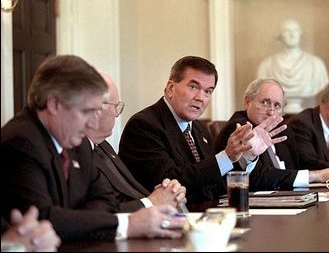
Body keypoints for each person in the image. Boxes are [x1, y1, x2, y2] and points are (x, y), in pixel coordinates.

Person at [1, 55, 185, 242]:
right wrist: (128, 224)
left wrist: (74, 219)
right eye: (86, 111)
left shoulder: (75, 140)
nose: (93, 122)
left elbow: (106, 201)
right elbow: (42, 220)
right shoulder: (20, 143)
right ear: (54, 104)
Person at [119, 55, 287, 204]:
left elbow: (213, 184)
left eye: (208, 91)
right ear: (171, 88)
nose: (201, 98)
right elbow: (170, 182)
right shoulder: (144, 125)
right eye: (193, 87)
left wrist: (247, 157)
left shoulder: (199, 129)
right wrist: (226, 157)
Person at [86, 71, 187, 212]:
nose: (117, 113)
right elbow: (98, 214)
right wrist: (152, 202)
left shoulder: (103, 146)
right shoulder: (75, 155)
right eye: (115, 106)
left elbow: (130, 190)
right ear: (96, 108)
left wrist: (166, 194)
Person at [215, 78, 329, 190]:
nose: (271, 111)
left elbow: (302, 162)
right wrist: (315, 176)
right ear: (247, 102)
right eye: (264, 102)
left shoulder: (282, 129)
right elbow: (258, 177)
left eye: (277, 105)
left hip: (289, 197)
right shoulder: (238, 129)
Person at [257, 18, 329, 112]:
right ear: (280, 35)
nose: (292, 34)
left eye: (295, 30)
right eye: (287, 31)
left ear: (300, 33)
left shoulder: (315, 64)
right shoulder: (267, 65)